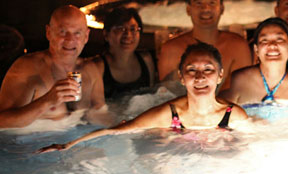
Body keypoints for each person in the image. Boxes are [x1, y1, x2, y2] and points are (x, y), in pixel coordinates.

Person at [37, 43, 248, 153]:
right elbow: (116, 130)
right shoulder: (168, 114)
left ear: (220, 75)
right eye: (191, 70)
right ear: (182, 78)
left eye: (208, 69)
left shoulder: (234, 115)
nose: (200, 77)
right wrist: (68, 145)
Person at [0, 5, 108, 128]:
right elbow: (2, 122)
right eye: (63, 32)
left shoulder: (91, 70)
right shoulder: (27, 67)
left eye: (77, 33)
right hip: (33, 143)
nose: (70, 39)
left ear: (86, 36)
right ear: (49, 33)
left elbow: (102, 116)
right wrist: (47, 101)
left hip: (76, 141)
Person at [158, 0, 252, 90]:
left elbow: (244, 91)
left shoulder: (238, 46)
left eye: (212, 2)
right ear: (188, 9)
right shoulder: (171, 49)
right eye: (199, 3)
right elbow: (165, 96)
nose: (206, 8)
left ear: (221, 9)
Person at [221, 17, 288, 105]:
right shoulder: (237, 81)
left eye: (279, 39)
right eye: (264, 40)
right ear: (256, 49)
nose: (272, 45)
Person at [93, 7, 155, 100]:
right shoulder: (98, 68)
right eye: (120, 29)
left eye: (133, 29)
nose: (128, 35)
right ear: (106, 34)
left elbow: (154, 97)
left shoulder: (146, 60)